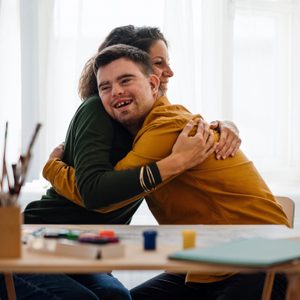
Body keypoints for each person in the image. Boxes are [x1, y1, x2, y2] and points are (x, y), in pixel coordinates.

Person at [45, 44, 288, 300]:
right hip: (208, 267)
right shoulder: (158, 130)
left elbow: (101, 196)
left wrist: (53, 168)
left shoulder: (164, 129)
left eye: (125, 80)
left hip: (261, 261)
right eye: (105, 87)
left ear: (152, 84)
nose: (116, 91)